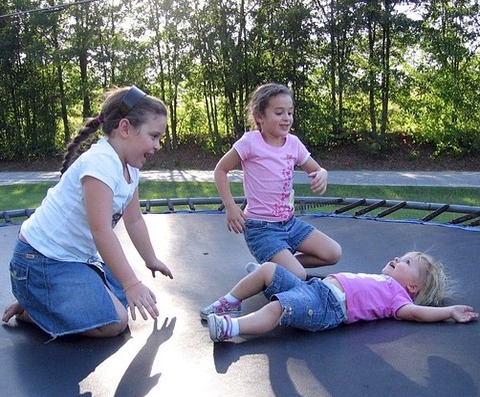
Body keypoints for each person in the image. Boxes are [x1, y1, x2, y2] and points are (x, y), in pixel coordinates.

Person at [2, 85, 173, 338]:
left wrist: (151, 259)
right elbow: (101, 230)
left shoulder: (130, 169)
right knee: (115, 321)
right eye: (154, 135)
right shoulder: (100, 163)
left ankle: (42, 301)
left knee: (122, 299)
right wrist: (131, 283)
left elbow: (134, 219)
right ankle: (37, 306)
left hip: (72, 260)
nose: (158, 145)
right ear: (125, 128)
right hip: (39, 262)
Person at [213, 83, 341, 281]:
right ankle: (275, 269)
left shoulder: (293, 143)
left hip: (289, 223)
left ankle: (271, 267)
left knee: (333, 253)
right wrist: (230, 206)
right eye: (279, 112)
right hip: (261, 228)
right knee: (298, 274)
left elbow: (316, 169)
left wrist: (322, 174)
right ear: (259, 117)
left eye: (290, 112)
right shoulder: (250, 142)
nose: (287, 118)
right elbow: (221, 170)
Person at [202, 251, 478, 342]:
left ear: (413, 288)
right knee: (268, 269)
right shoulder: (383, 280)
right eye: (401, 255)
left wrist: (449, 311)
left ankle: (231, 328)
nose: (398, 258)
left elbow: (418, 313)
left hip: (325, 308)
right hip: (315, 288)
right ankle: (230, 301)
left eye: (406, 263)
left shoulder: (398, 299)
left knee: (280, 307)